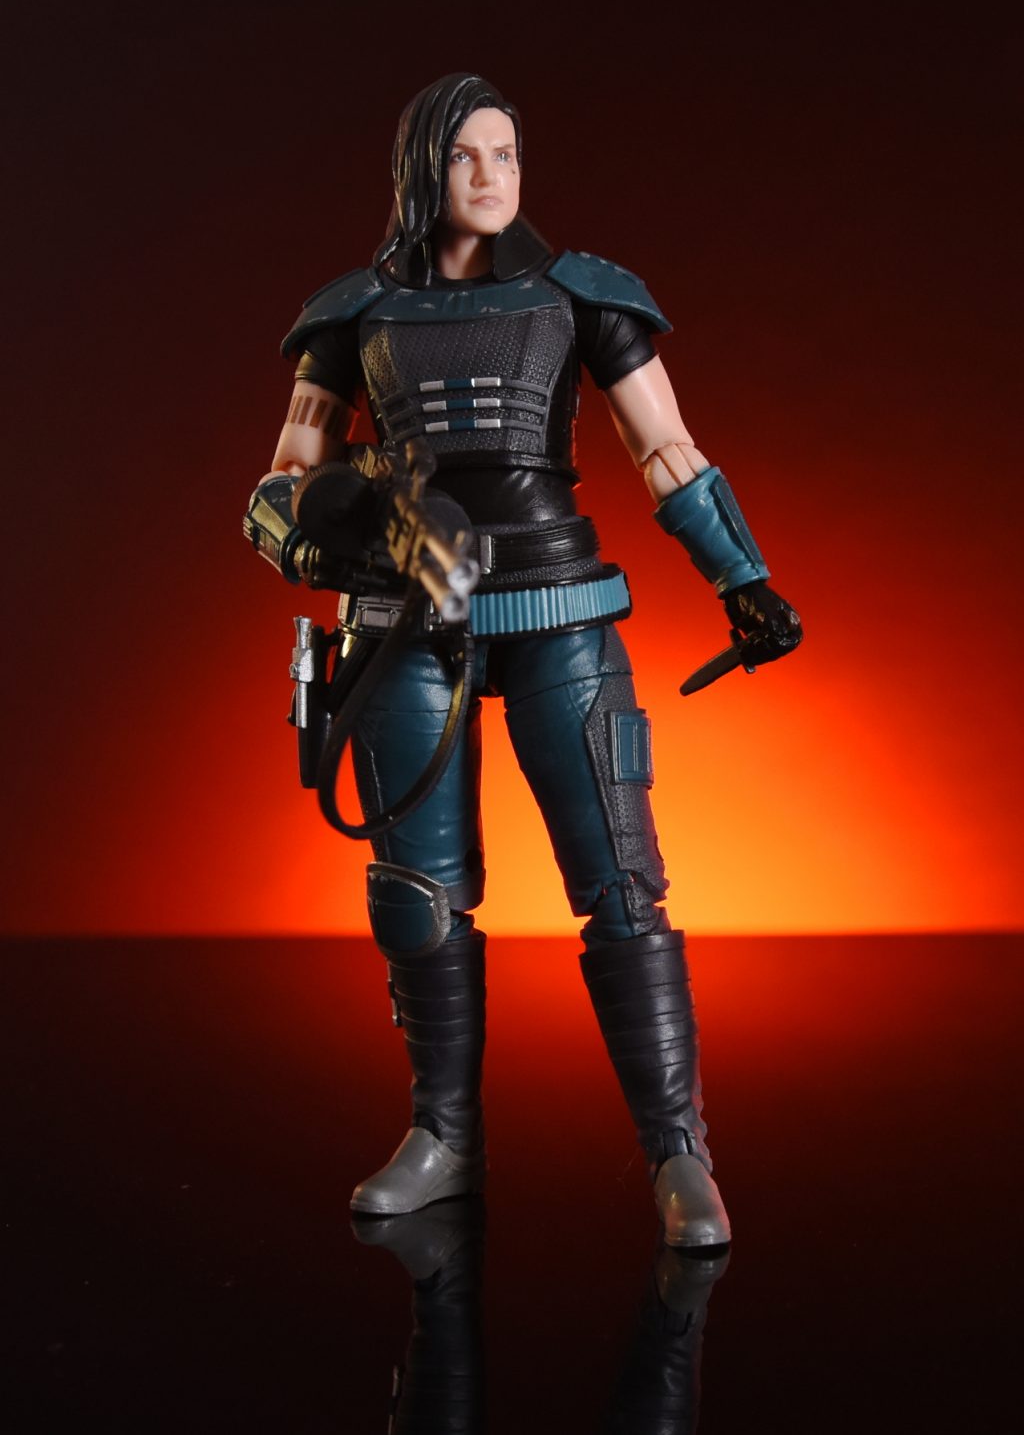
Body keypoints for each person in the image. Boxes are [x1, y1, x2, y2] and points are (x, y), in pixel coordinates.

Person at [244, 73, 802, 1249]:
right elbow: (281, 481)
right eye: (467, 155)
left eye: (506, 153)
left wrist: (741, 578)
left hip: (557, 606)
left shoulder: (577, 296)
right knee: (417, 895)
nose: (491, 175)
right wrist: (344, 532)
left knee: (621, 885)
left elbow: (665, 448)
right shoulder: (353, 315)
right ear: (422, 169)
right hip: (406, 619)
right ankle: (443, 1134)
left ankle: (679, 1150)